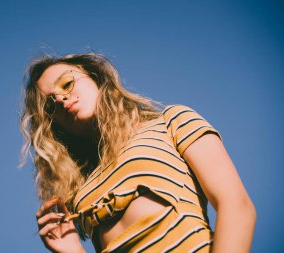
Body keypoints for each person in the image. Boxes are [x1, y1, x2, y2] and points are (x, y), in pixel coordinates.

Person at [20, 53, 256, 253]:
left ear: (93, 77)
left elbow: (236, 206)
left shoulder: (170, 123)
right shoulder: (80, 191)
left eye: (66, 83)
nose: (61, 98)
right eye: (50, 105)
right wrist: (72, 249)